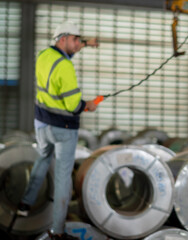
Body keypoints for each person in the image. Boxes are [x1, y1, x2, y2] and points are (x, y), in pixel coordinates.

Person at [17, 21, 99, 240]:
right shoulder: (65, 67)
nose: (78, 44)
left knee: (43, 159)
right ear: (62, 39)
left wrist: (86, 44)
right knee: (64, 178)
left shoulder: (44, 56)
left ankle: (25, 204)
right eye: (75, 40)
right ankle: (57, 232)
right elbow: (73, 105)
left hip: (42, 124)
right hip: (63, 128)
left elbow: (60, 63)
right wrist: (87, 105)